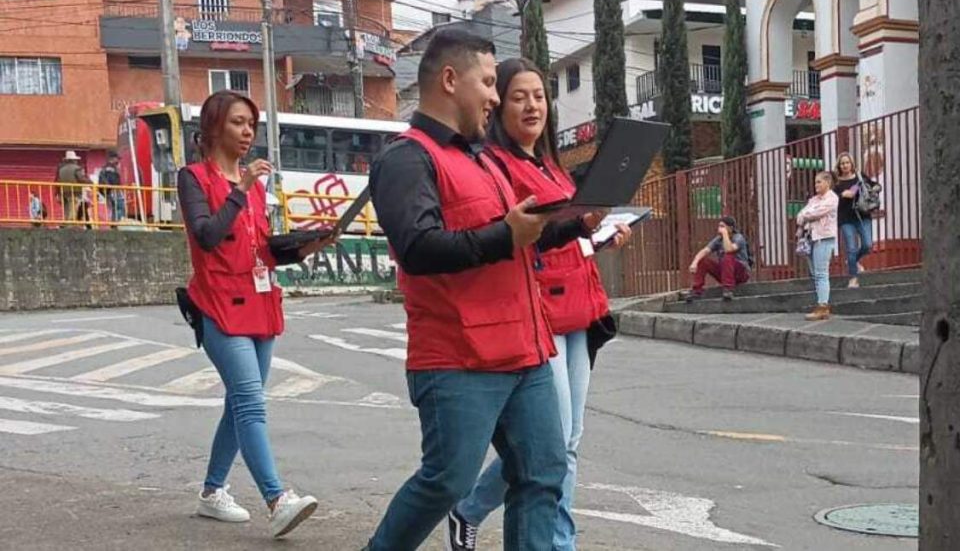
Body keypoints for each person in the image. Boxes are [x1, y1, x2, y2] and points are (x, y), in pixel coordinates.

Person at [363, 30, 567, 551]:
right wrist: (506, 235)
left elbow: (527, 228)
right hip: (458, 358)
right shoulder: (406, 158)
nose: (497, 97)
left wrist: (585, 218)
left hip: (526, 352)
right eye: (489, 82)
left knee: (542, 476)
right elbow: (419, 247)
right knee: (446, 483)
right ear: (451, 81)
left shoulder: (485, 158)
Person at [445, 58, 631, 551]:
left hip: (580, 308)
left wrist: (601, 233)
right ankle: (553, 541)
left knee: (565, 441)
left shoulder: (551, 164)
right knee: (550, 444)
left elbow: (570, 231)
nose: (532, 106)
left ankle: (471, 510)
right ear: (499, 105)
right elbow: (529, 236)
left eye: (539, 96)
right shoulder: (496, 166)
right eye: (518, 96)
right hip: (540, 312)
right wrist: (575, 225)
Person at [177, 90, 333, 538]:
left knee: (238, 402)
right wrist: (239, 191)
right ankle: (276, 498)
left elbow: (260, 249)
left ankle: (211, 492)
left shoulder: (257, 187)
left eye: (251, 125)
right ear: (213, 128)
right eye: (238, 123)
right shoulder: (194, 178)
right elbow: (206, 236)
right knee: (249, 401)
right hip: (218, 305)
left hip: (260, 303)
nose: (248, 133)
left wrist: (303, 247)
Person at [797, 171, 840, 320]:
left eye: (819, 182)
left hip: (824, 237)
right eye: (815, 182)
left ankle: (823, 306)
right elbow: (800, 216)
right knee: (815, 273)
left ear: (827, 183)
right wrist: (806, 214)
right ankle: (820, 302)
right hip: (811, 238)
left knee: (821, 273)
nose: (816, 185)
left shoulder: (832, 198)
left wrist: (807, 214)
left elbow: (815, 213)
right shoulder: (814, 199)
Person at [833, 153, 879, 288]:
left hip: (863, 215)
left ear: (852, 164)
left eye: (847, 162)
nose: (845, 165)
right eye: (842, 163)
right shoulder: (836, 182)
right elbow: (832, 197)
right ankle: (853, 278)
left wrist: (873, 188)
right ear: (839, 166)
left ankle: (853, 261)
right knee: (851, 248)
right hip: (846, 218)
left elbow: (874, 185)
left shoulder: (860, 176)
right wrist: (842, 194)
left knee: (867, 245)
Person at [683, 216, 751, 301]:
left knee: (728, 256)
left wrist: (725, 234)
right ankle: (697, 291)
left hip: (741, 273)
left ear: (730, 228)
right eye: (719, 226)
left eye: (722, 226)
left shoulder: (738, 238)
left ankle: (728, 290)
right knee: (703, 261)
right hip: (725, 273)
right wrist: (695, 262)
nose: (719, 228)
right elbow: (705, 251)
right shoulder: (718, 239)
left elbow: (729, 249)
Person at [55, 150, 90, 226]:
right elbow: (81, 179)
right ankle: (70, 226)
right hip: (74, 192)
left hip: (63, 193)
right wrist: (91, 183)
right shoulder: (77, 168)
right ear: (74, 160)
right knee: (73, 210)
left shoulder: (61, 169)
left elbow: (57, 181)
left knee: (66, 211)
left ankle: (65, 224)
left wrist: (57, 194)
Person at [98, 151, 126, 223]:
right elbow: (113, 180)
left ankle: (114, 224)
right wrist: (117, 188)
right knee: (120, 207)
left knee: (114, 208)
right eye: (117, 159)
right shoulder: (111, 168)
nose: (118, 161)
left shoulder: (104, 168)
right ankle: (119, 223)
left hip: (107, 191)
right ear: (113, 159)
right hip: (113, 191)